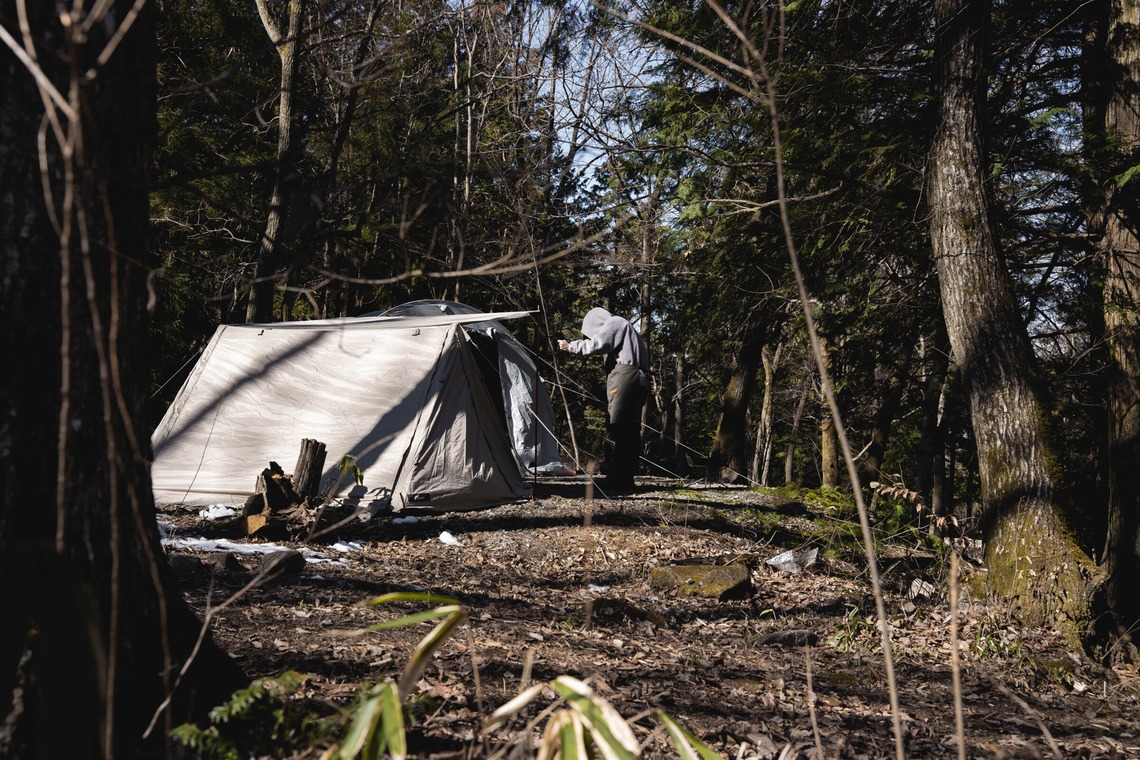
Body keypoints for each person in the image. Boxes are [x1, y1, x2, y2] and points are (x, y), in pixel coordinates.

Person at [558, 307, 650, 491]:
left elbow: (599, 344)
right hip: (637, 377)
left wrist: (571, 346)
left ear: (594, 323)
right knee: (629, 429)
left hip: (625, 376)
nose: (589, 337)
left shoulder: (615, 322)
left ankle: (619, 478)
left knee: (621, 426)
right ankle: (623, 476)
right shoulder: (626, 328)